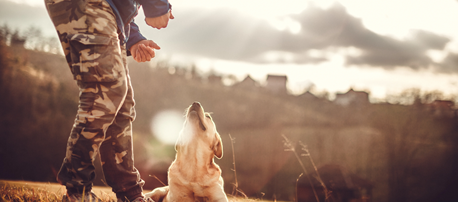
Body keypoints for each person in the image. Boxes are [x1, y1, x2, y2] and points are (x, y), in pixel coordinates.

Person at [44, 0, 173, 201]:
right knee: (106, 90)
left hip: (108, 11)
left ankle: (130, 194)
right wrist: (156, 5)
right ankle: (78, 191)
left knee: (120, 103)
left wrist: (135, 39)